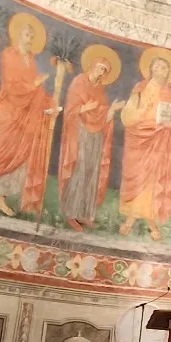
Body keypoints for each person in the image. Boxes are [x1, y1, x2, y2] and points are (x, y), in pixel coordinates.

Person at [0, 13, 56, 217]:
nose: (30, 39)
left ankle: (0, 200)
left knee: (15, 158)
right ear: (18, 35)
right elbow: (11, 85)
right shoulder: (9, 54)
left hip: (23, 116)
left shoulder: (30, 59)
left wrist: (50, 104)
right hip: (8, 111)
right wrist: (35, 83)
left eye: (32, 36)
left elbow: (35, 91)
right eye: (27, 34)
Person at [118, 48, 171, 239]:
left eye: (164, 67)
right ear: (150, 69)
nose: (160, 70)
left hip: (161, 143)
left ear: (168, 73)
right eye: (157, 66)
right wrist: (142, 112)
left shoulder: (170, 94)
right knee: (140, 178)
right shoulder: (140, 87)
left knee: (152, 181)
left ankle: (136, 222)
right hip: (140, 138)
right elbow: (129, 113)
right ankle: (143, 223)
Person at [59, 44, 119, 227]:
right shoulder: (79, 82)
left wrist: (112, 110)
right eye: (100, 68)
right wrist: (85, 108)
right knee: (80, 170)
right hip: (80, 132)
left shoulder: (99, 89)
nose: (102, 73)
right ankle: (71, 212)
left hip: (95, 135)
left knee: (92, 172)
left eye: (105, 71)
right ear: (92, 66)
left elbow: (103, 114)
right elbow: (70, 109)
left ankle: (84, 213)